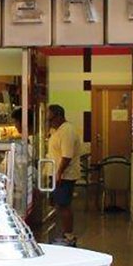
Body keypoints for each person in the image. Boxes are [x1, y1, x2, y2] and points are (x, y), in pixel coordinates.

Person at [47, 104, 82, 247]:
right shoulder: (58, 130)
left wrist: (59, 173)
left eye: (51, 119)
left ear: (59, 116)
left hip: (64, 175)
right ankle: (65, 234)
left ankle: (69, 236)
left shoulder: (67, 131)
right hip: (57, 173)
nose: (50, 122)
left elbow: (67, 156)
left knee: (64, 205)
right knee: (60, 204)